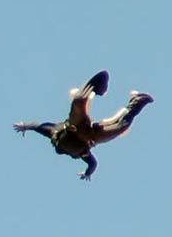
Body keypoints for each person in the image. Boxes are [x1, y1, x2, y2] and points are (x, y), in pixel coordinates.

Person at [12, 69, 152, 179]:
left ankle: (98, 85)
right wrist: (87, 173)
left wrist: (25, 126)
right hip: (92, 136)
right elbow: (93, 164)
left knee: (79, 100)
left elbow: (38, 127)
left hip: (76, 125)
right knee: (121, 127)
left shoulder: (54, 132)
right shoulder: (82, 153)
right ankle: (137, 100)